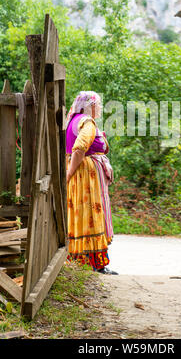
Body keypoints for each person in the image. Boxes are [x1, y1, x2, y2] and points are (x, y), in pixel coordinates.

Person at [66, 90, 118, 275]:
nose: (101, 108)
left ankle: (82, 260)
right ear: (91, 105)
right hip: (86, 178)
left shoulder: (73, 120)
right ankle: (96, 264)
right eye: (100, 104)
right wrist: (69, 173)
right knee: (91, 215)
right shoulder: (87, 123)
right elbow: (79, 148)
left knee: (80, 215)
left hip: (81, 175)